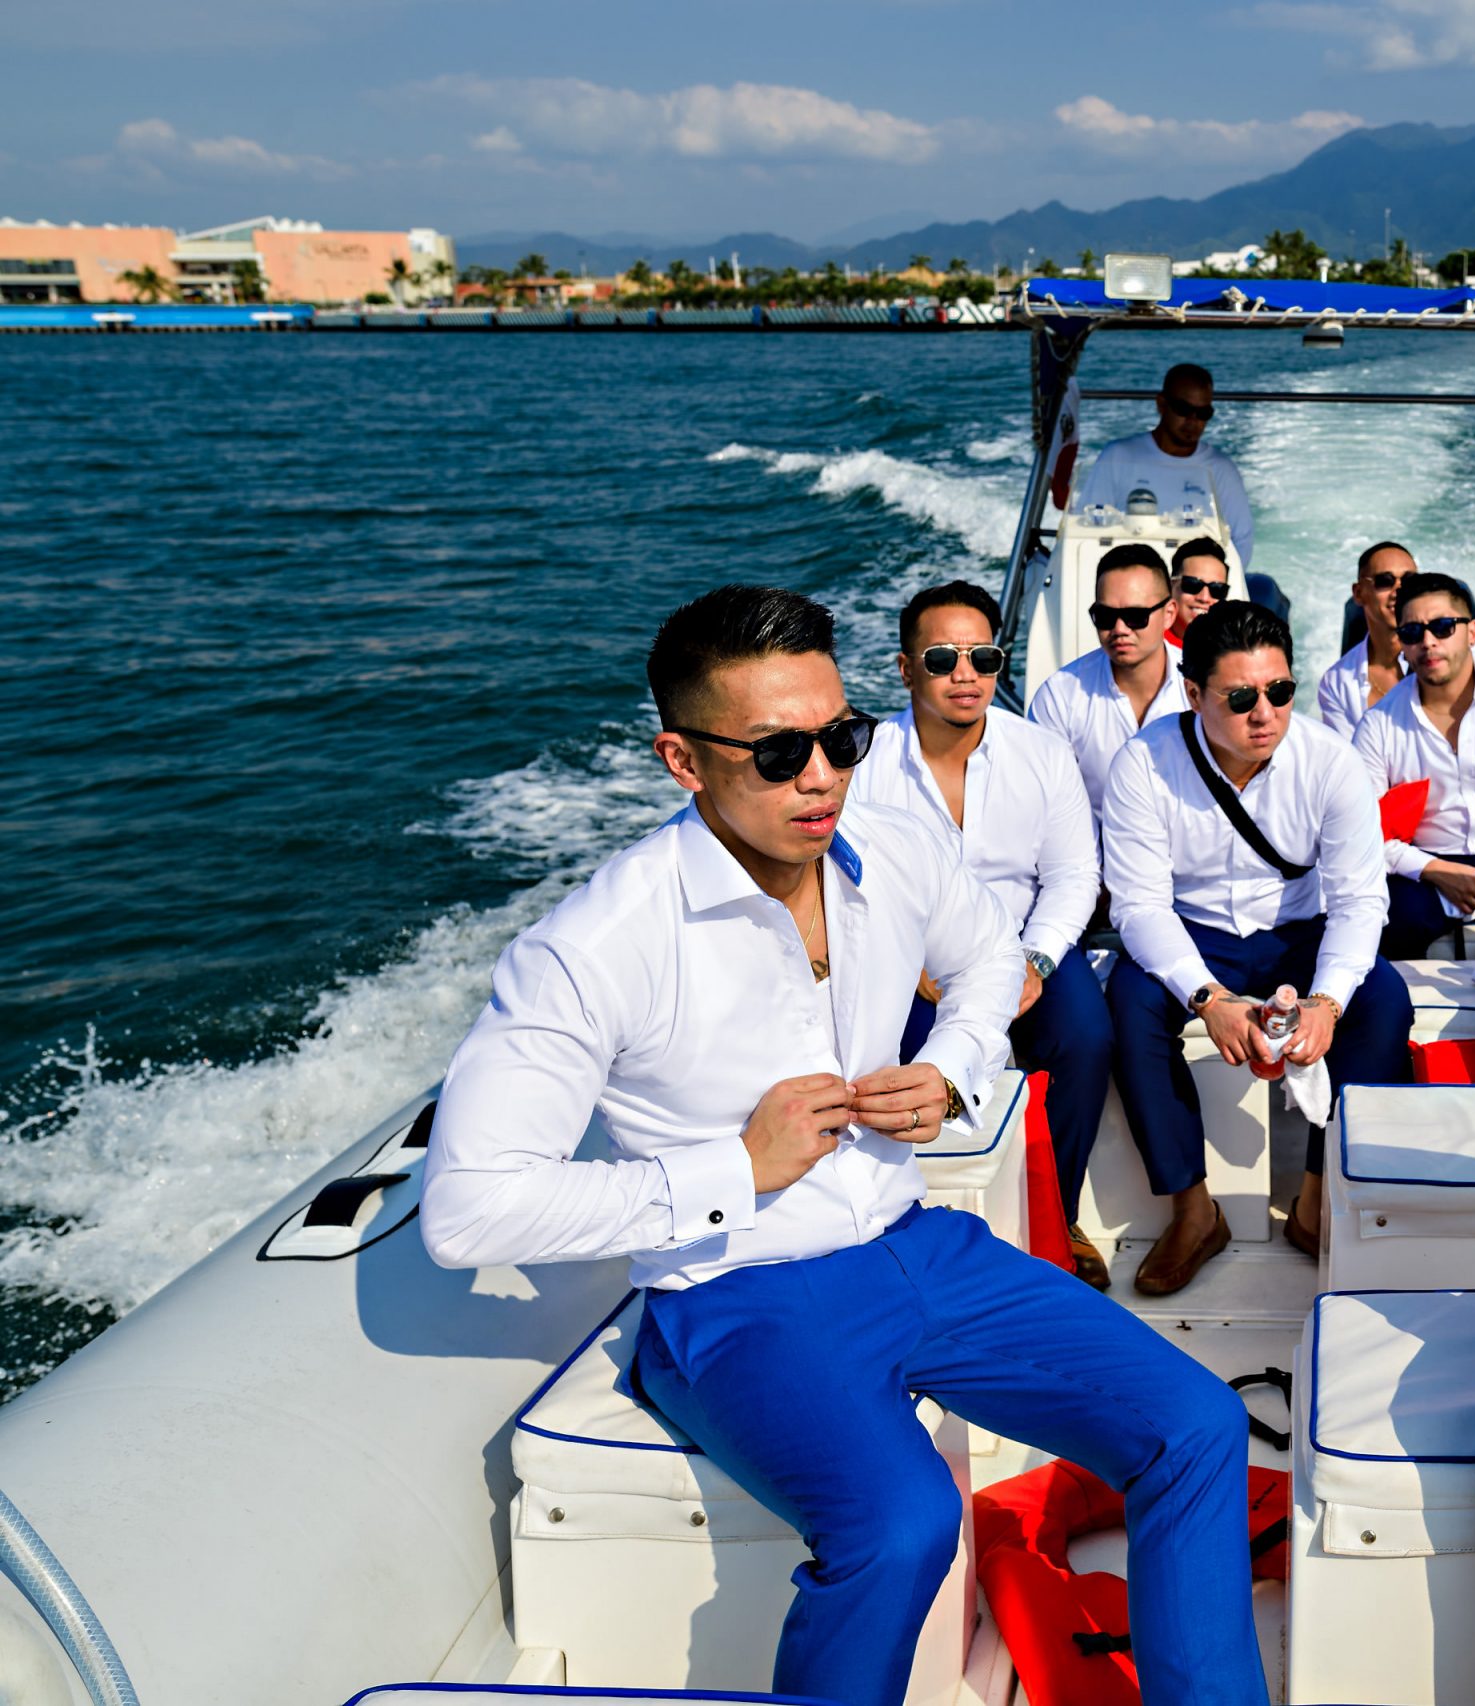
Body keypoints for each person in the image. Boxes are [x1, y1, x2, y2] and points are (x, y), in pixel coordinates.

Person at [421, 585, 1263, 1706]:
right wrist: (737, 1169)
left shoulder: (891, 844)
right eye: (778, 751)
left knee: (1195, 1424)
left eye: (842, 737)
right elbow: (469, 1207)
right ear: (683, 758)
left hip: (914, 1242)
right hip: (736, 1294)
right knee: (903, 1522)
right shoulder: (594, 946)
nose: (821, 774)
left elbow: (983, 963)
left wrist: (953, 1069)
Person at [1101, 599, 1414, 1291]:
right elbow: (1141, 907)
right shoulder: (1143, 766)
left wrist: (1326, 1002)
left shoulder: (1331, 763)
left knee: (1384, 1001)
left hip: (1296, 933)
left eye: (1280, 691)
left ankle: (1315, 1200)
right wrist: (1208, 998)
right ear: (1192, 694)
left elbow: (1362, 902)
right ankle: (1192, 1210)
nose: (1265, 712)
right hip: (1195, 932)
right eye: (1240, 697)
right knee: (1128, 1001)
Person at [850, 579, 1115, 1290]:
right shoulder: (861, 765)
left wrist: (1032, 961)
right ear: (906, 669)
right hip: (913, 964)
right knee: (881, 1065)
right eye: (942, 658)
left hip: (1024, 951)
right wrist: (906, 968)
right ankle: (914, 1228)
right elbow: (844, 885)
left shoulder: (1042, 753)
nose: (965, 675)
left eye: (983, 657)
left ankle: (1055, 1217)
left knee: (1087, 1037)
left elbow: (1071, 877)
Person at [1351, 571, 1475, 960]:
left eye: (1443, 627)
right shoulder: (1378, 725)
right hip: (1426, 868)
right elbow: (1360, 833)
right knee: (1371, 928)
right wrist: (1436, 870)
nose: (1428, 641)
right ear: (1401, 644)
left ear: (1472, 632)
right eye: (1412, 632)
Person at [1029, 542, 1187, 831]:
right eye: (1105, 616)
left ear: (1169, 613)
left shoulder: (1204, 688)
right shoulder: (1060, 697)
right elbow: (1047, 809)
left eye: (1135, 616)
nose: (1119, 629)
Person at [1077, 362, 1254, 567]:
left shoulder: (1221, 469)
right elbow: (1086, 527)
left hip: (1194, 589)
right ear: (1161, 404)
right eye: (1183, 409)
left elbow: (1242, 540)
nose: (1192, 420)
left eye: (1203, 413)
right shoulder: (1118, 456)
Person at [1315, 541, 1415, 737]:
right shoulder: (1336, 684)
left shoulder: (1450, 657)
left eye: (1409, 580)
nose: (1398, 590)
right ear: (1359, 593)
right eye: (1385, 581)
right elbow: (1348, 762)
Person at [1168, 535, 1232, 644]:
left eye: (1217, 589)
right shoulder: (1148, 646)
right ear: (1170, 586)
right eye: (1192, 585)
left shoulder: (1234, 648)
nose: (1204, 598)